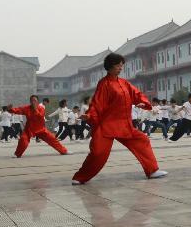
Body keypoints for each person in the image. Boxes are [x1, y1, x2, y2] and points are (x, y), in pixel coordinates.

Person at [72, 53, 167, 184]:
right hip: (107, 126)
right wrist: (89, 115)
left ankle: (152, 170)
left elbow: (137, 95)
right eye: (118, 65)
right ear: (110, 66)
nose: (120, 68)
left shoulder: (124, 83)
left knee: (142, 140)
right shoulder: (104, 84)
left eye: (122, 65)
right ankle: (80, 177)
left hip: (124, 125)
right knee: (98, 153)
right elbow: (97, 103)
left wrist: (143, 103)